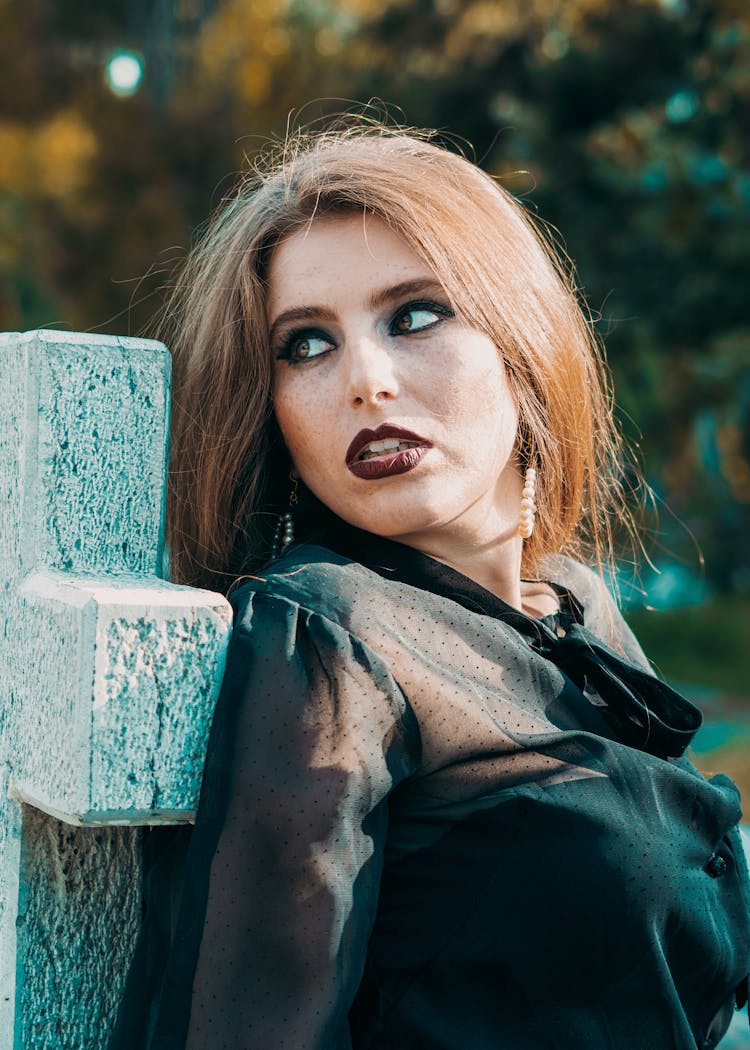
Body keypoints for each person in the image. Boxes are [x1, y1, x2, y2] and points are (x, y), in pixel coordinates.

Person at [109, 120, 750, 1050]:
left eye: (413, 316)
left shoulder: (569, 605)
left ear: (522, 344)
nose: (366, 380)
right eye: (305, 345)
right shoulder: (325, 633)